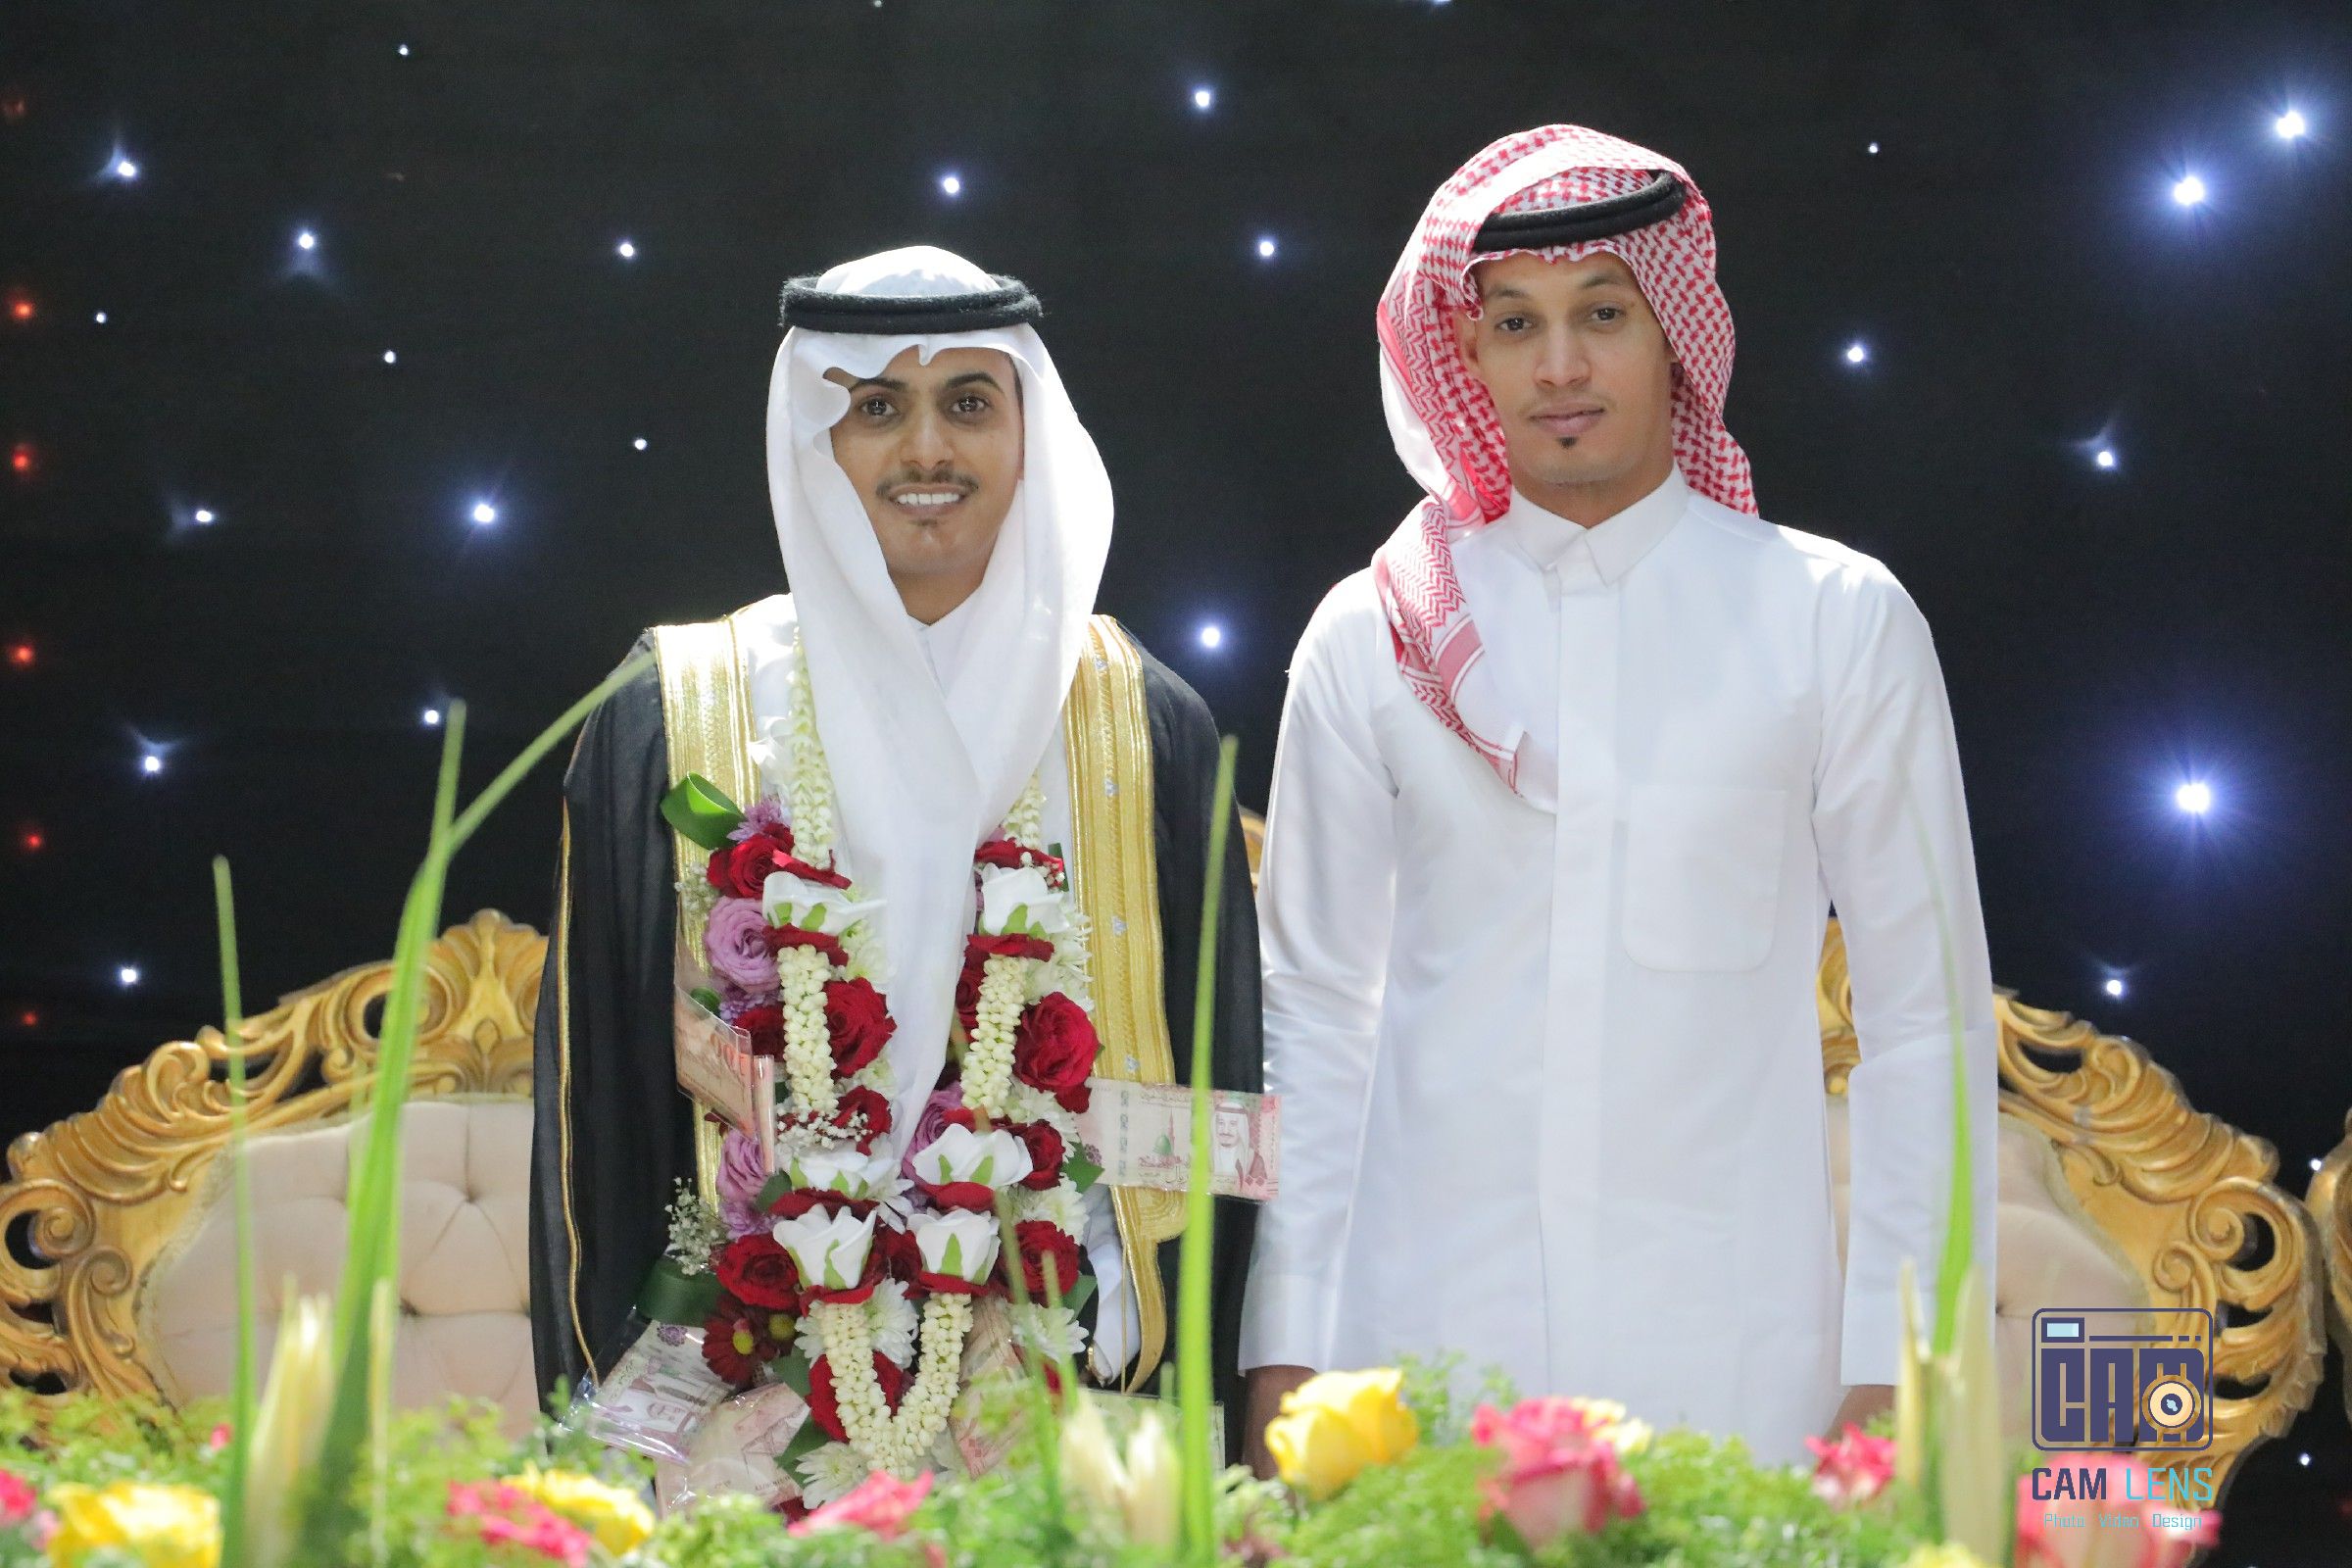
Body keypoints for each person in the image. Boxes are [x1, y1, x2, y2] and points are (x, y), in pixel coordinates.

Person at [1238, 125, 1996, 1470]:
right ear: (1464, 355)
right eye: (1514, 324)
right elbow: (1315, 1018)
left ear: (1676, 336)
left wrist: (1902, 1374)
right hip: (1422, 1368)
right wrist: (1287, 1355)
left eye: (1603, 314)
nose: (1560, 366)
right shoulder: (1372, 635)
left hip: (1735, 1376)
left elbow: (1923, 1019)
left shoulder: (1833, 620)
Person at [528, 246, 1262, 1479]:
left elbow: (1217, 1110)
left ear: (1028, 432)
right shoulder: (676, 715)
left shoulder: (1143, 725)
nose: (927, 449)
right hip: (737, 1422)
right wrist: (643, 1444)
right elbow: (594, 1116)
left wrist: (1102, 1342)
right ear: (817, 441)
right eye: (877, 406)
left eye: (968, 402)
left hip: (1069, 1408)